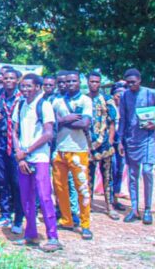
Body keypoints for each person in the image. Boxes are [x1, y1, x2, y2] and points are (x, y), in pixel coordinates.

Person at [11, 74, 62, 252]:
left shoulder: (44, 105)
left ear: (38, 87)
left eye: (29, 86)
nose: (25, 89)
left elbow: (48, 134)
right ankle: (31, 234)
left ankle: (53, 236)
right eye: (23, 86)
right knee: (26, 198)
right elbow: (14, 131)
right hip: (23, 158)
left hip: (39, 157)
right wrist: (20, 154)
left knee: (44, 196)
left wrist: (27, 151)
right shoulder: (20, 105)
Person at [118, 68, 155, 225]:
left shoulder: (151, 93)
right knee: (132, 175)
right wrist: (120, 140)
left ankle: (147, 209)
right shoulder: (125, 96)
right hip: (131, 140)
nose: (130, 85)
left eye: (133, 82)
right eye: (128, 83)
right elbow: (123, 119)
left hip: (147, 139)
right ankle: (134, 209)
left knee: (147, 171)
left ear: (139, 81)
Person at [52, 71, 94, 240]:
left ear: (79, 82)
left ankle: (85, 224)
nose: (70, 84)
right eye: (67, 81)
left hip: (78, 150)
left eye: (73, 81)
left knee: (82, 188)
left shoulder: (85, 100)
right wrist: (65, 120)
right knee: (60, 188)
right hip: (60, 149)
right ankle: (66, 219)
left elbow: (85, 123)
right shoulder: (57, 102)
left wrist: (62, 121)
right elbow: (52, 124)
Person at [0, 69, 24, 234]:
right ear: (2, 80)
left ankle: (19, 217)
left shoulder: (22, 99)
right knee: (2, 179)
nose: (9, 80)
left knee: (17, 182)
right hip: (1, 140)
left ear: (17, 80)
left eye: (12, 78)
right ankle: (5, 214)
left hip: (17, 142)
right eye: (6, 78)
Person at [86, 72, 120, 220]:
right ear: (88, 82)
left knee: (107, 176)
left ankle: (109, 206)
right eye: (92, 81)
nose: (94, 84)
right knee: (88, 177)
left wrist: (110, 140)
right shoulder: (83, 99)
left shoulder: (107, 100)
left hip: (104, 144)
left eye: (97, 82)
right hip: (87, 144)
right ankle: (88, 205)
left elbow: (112, 122)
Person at [109, 82, 127, 211]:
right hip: (111, 142)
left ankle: (115, 198)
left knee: (120, 170)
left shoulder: (127, 107)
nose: (120, 96)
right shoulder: (108, 107)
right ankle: (109, 198)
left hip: (122, 143)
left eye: (123, 93)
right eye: (118, 93)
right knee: (112, 169)